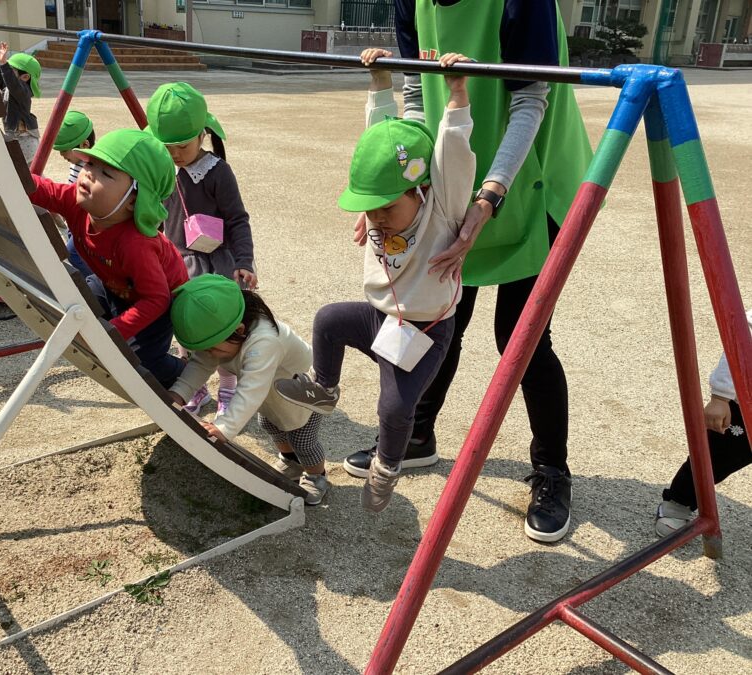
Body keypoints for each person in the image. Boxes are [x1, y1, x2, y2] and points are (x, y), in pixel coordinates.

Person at [341, 0, 594, 541]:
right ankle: (418, 435)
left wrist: (488, 197)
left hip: (533, 178)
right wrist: (395, 189)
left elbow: (531, 101)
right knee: (438, 316)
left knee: (522, 339)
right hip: (455, 176)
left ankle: (552, 470)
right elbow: (416, 98)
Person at [275, 50, 476, 513]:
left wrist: (458, 92)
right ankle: (325, 390)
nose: (377, 218)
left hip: (425, 331)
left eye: (387, 208)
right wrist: (380, 81)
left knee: (394, 408)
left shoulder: (443, 207)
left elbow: (454, 151)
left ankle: (387, 468)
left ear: (421, 190)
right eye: (371, 207)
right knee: (329, 319)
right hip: (379, 318)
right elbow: (380, 141)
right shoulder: (379, 206)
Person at [22, 128, 187, 387]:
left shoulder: (136, 244)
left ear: (133, 200)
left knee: (142, 361)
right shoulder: (76, 203)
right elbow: (39, 189)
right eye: (90, 164)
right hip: (113, 284)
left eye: (106, 173)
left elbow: (156, 299)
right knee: (76, 307)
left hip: (155, 304)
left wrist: (113, 333)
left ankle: (184, 373)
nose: (89, 173)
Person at [146, 82, 257, 416]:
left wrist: (244, 260)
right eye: (166, 147)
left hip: (217, 264)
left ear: (202, 135)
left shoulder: (217, 172)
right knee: (186, 327)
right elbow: (156, 218)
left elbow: (237, 219)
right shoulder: (162, 170)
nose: (175, 154)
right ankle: (194, 387)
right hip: (178, 264)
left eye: (182, 145)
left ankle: (228, 386)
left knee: (221, 328)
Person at [168, 274, 328, 504]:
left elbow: (251, 389)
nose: (210, 354)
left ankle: (316, 476)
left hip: (303, 394)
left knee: (302, 438)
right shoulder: (224, 337)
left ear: (239, 329)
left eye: (213, 349)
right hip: (274, 391)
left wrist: (224, 427)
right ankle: (291, 462)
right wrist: (179, 393)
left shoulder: (264, 341)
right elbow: (200, 364)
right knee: (270, 424)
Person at [655, 309, 752, 536]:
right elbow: (740, 341)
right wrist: (721, 396)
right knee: (715, 459)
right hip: (746, 408)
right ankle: (678, 503)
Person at [53, 110, 96, 278]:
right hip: (74, 219)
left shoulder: (91, 167)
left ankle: (99, 281)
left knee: (73, 253)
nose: (61, 155)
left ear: (84, 145)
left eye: (64, 150)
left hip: (86, 222)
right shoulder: (77, 162)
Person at [0, 42, 42, 164]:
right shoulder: (10, 87)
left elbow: (11, 81)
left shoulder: (23, 91)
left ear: (25, 77)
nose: (6, 73)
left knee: (14, 169)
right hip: (16, 138)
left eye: (11, 70)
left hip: (24, 141)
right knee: (26, 171)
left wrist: (4, 64)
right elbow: (0, 76)